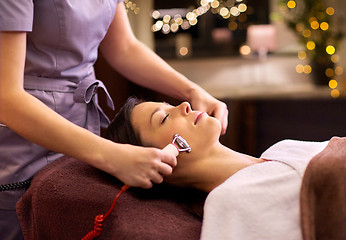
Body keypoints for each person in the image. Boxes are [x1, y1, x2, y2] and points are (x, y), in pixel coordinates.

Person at [0, 1, 228, 239]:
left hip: (85, 123)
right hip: (24, 133)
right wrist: (111, 155)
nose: (185, 107)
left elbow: (124, 48)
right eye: (163, 116)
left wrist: (192, 90)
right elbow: (7, 97)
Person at [106, 97, 332, 240]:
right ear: (155, 162)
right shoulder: (229, 203)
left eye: (170, 106)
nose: (184, 105)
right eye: (164, 118)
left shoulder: (285, 148)